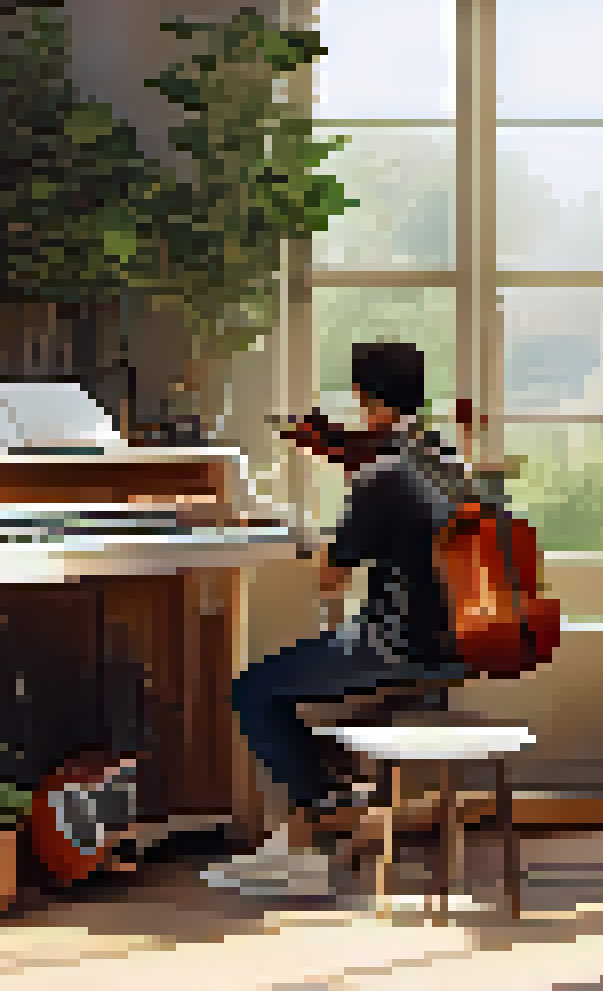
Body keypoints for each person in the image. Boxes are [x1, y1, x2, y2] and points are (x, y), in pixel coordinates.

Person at [205, 341, 470, 897]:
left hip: (397, 645)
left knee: (253, 691)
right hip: (455, 643)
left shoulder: (382, 474)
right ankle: (320, 816)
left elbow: (332, 577)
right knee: (308, 677)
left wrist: (322, 533)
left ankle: (317, 823)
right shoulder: (443, 458)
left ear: (361, 397)